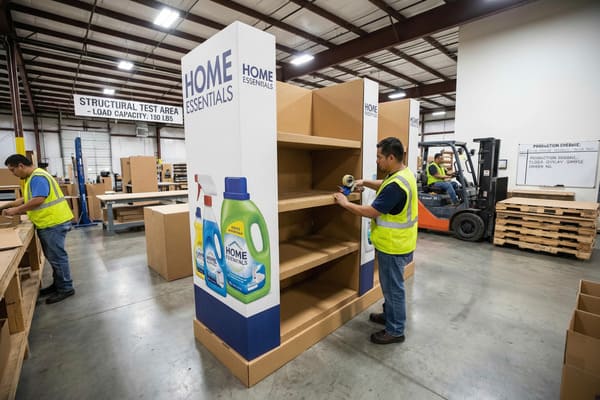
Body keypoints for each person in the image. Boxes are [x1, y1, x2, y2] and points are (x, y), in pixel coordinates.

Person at [333, 137, 417, 345]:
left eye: (380, 157)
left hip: (393, 246)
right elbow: (384, 184)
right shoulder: (403, 174)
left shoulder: (396, 186)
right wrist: (363, 182)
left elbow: (371, 211)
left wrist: (344, 203)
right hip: (401, 243)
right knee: (391, 286)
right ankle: (390, 317)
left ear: (391, 157)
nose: (377, 161)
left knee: (393, 289)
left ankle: (395, 330)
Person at [1, 154, 75, 304]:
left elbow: (38, 199)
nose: (13, 174)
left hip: (53, 222)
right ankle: (58, 285)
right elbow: (27, 199)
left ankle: (66, 288)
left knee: (57, 258)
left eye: (13, 170)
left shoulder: (37, 177)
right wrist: (6, 206)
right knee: (54, 258)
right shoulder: (32, 178)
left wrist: (15, 211)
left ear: (21, 166)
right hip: (49, 222)